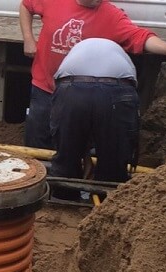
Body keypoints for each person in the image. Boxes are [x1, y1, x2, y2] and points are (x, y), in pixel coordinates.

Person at [19, 0, 166, 149]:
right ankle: (38, 188)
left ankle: (69, 188)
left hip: (77, 96)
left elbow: (140, 37)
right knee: (37, 143)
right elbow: (26, 6)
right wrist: (28, 38)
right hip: (44, 86)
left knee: (72, 145)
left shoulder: (110, 15)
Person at [50, 38, 140, 185]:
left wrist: (83, 153)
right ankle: (110, 201)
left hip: (72, 88)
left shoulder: (76, 50)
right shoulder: (119, 52)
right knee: (114, 156)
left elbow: (81, 120)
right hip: (117, 90)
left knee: (67, 153)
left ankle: (63, 195)